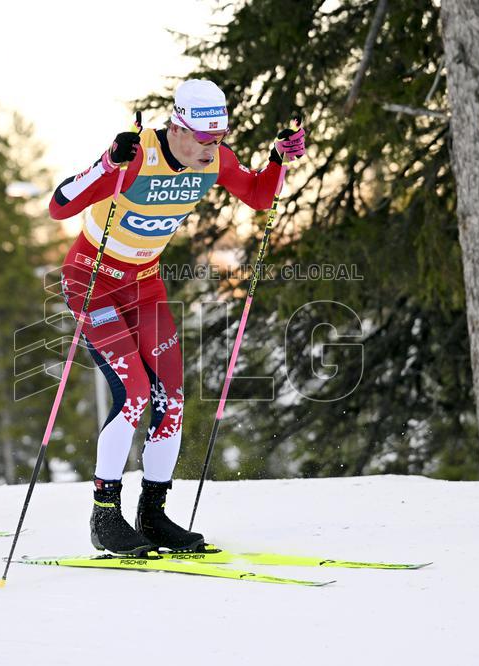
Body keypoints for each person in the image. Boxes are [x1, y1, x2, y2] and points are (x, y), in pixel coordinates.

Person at [49, 79, 306, 554]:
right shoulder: (137, 155)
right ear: (178, 128)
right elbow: (58, 204)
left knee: (172, 398)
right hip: (91, 278)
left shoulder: (215, 160)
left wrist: (276, 160)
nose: (214, 150)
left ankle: (152, 515)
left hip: (144, 283)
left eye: (221, 138)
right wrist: (107, 163)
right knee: (134, 396)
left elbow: (259, 196)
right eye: (206, 139)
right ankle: (104, 516)